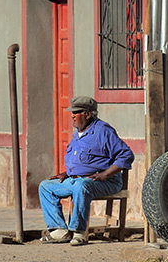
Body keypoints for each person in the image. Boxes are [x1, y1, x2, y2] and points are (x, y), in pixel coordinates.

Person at [39, 96, 134, 246]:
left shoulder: (103, 131)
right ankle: (59, 231)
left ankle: (79, 232)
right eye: (72, 112)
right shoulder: (77, 133)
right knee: (45, 186)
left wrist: (105, 174)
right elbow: (80, 161)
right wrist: (66, 173)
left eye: (76, 113)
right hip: (78, 180)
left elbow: (126, 155)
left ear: (88, 114)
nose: (72, 116)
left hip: (105, 182)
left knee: (81, 186)